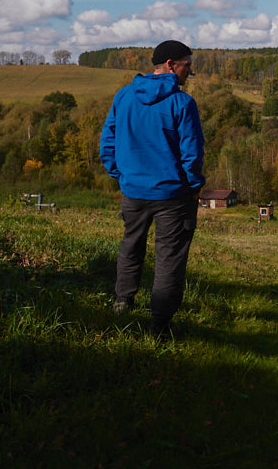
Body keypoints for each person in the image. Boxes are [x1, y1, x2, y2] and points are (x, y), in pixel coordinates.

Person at [100, 39, 205, 339]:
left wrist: (121, 175)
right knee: (169, 258)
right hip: (173, 195)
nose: (190, 71)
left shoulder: (124, 96)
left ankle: (123, 302)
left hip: (133, 191)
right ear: (171, 65)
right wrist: (194, 186)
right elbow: (192, 153)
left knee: (130, 245)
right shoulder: (182, 103)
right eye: (187, 65)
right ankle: (160, 324)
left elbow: (108, 142)